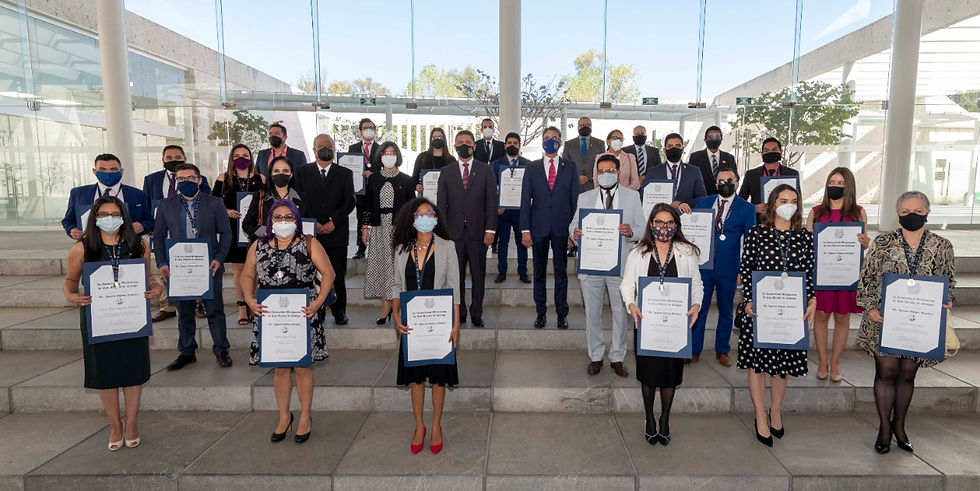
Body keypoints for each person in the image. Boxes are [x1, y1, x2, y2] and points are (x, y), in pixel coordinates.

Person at [856, 191, 955, 454]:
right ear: (898, 213)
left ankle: (899, 426)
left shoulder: (942, 246)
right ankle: (884, 429)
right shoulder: (883, 242)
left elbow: (949, 281)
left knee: (908, 373)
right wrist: (871, 307)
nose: (912, 215)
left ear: (928, 213)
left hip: (921, 323)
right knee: (886, 372)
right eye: (906, 211)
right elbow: (866, 278)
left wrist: (947, 299)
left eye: (918, 211)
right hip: (883, 320)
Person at [63, 196, 161, 451]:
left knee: (133, 371)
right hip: (99, 319)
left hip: (132, 317)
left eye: (115, 214)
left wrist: (156, 288)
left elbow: (149, 278)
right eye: (104, 214)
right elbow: (70, 282)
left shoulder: (138, 245)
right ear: (94, 218)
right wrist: (72, 296)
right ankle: (115, 424)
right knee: (105, 372)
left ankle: (132, 422)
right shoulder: (82, 248)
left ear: (123, 217)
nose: (110, 219)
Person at [242, 199, 336, 443]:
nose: (283, 221)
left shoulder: (309, 243)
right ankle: (284, 416)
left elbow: (329, 273)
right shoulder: (258, 245)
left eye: (288, 217)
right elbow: (248, 274)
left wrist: (318, 302)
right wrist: (249, 300)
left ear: (296, 219)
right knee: (280, 368)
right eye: (278, 217)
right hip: (270, 315)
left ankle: (305, 416)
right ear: (270, 221)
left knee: (302, 367)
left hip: (303, 314)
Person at [735, 184, 816, 447]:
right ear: (773, 204)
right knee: (758, 363)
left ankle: (776, 410)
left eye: (793, 200)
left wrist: (812, 299)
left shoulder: (804, 237)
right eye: (783, 200)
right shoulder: (757, 233)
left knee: (783, 364)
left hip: (791, 312)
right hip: (760, 310)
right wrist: (748, 299)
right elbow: (747, 268)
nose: (788, 205)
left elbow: (810, 272)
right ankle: (760, 414)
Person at [621, 203, 703, 445]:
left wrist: (696, 304)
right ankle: (649, 418)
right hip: (646, 323)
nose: (664, 227)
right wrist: (631, 304)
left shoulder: (687, 251)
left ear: (676, 225)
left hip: (675, 325)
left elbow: (697, 284)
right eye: (659, 222)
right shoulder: (638, 252)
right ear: (651, 224)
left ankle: (664, 419)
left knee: (670, 374)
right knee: (648, 375)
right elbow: (627, 285)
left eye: (669, 223)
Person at [391, 197, 461, 455]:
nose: (424, 218)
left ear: (436, 217)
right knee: (417, 379)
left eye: (429, 213)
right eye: (419, 214)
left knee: (439, 379)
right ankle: (419, 425)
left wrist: (456, 324)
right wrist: (395, 313)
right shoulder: (401, 249)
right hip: (413, 325)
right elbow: (397, 285)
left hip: (440, 324)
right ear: (411, 219)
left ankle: (436, 426)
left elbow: (454, 287)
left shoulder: (447, 246)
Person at [153, 163, 233, 370]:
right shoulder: (165, 205)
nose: (186, 182)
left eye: (190, 178)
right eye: (181, 179)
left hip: (209, 266)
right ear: (176, 181)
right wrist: (161, 262)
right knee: (185, 312)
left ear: (199, 180)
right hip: (179, 268)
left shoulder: (215, 203)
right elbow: (158, 236)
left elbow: (226, 233)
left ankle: (221, 349)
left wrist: (219, 259)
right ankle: (187, 351)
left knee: (215, 311)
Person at [571, 154, 644, 377]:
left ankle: (617, 357)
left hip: (619, 266)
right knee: (592, 313)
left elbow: (642, 228)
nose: (605, 174)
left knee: (620, 312)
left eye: (610, 171)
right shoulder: (585, 197)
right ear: (596, 174)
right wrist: (575, 233)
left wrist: (630, 232)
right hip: (591, 264)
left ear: (618, 172)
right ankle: (595, 356)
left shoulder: (632, 197)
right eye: (601, 171)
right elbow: (574, 224)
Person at [805, 167, 871, 381]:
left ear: (848, 186)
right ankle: (823, 360)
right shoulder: (816, 212)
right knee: (821, 315)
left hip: (846, 274)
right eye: (831, 182)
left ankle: (835, 362)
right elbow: (807, 244)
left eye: (840, 183)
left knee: (842, 317)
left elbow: (863, 243)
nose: (835, 186)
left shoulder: (858, 212)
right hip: (822, 272)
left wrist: (865, 242)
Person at [690, 167, 755, 366]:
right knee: (699, 307)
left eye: (729, 180)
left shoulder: (747, 208)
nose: (724, 184)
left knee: (726, 310)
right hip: (704, 266)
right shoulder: (703, 203)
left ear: (737, 183)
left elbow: (749, 242)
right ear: (715, 183)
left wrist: (743, 270)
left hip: (729, 267)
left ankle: (722, 350)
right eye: (720, 180)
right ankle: (694, 350)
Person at [142, 145, 211, 322]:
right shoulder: (151, 179)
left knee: (193, 265)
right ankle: (167, 306)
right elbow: (146, 204)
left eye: (177, 157)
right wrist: (150, 225)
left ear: (184, 158)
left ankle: (199, 303)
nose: (173, 160)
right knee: (165, 267)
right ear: (163, 160)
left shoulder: (199, 179)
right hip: (162, 231)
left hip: (191, 232)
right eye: (169, 158)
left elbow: (207, 202)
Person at [521, 126, 580, 329]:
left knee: (561, 273)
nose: (550, 141)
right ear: (542, 142)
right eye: (546, 138)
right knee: (539, 272)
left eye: (554, 138)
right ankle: (541, 313)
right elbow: (525, 200)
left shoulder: (570, 167)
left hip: (562, 228)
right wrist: (525, 230)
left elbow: (575, 201)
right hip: (538, 227)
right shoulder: (532, 167)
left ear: (560, 142)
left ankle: (562, 314)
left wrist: (572, 231)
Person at [437, 130, 497, 327]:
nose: (464, 145)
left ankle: (477, 313)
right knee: (456, 277)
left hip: (478, 233)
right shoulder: (446, 171)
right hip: (453, 234)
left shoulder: (486, 170)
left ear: (474, 146)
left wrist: (490, 230)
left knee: (478, 276)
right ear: (455, 146)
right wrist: (443, 232)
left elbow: (491, 202)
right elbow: (441, 205)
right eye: (460, 142)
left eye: (468, 142)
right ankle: (460, 311)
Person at [294, 134, 356, 325]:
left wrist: (333, 222)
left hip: (336, 232)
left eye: (329, 145)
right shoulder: (301, 172)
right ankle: (317, 311)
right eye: (321, 146)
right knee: (311, 273)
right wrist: (314, 223)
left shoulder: (345, 173)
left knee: (337, 273)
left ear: (334, 149)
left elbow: (349, 201)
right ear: (314, 150)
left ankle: (339, 311)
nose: (325, 148)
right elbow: (298, 200)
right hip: (310, 233)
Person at [362, 142, 415, 324]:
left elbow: (412, 208)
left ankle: (398, 306)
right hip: (379, 231)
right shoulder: (374, 179)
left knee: (398, 269)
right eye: (386, 152)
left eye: (393, 153)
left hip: (399, 231)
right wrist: (364, 228)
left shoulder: (407, 180)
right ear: (380, 156)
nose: (389, 156)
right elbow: (367, 206)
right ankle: (386, 307)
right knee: (383, 269)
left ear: (398, 156)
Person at [212, 144, 265, 327]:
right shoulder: (223, 178)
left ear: (251, 157)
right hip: (233, 229)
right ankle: (242, 306)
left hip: (254, 228)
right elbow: (213, 203)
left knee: (254, 268)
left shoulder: (260, 178)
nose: (241, 158)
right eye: (236, 155)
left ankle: (252, 303)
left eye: (245, 154)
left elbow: (266, 201)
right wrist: (226, 211)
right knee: (239, 269)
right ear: (231, 159)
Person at [63, 153, 154, 240]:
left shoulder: (138, 194)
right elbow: (68, 220)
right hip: (91, 245)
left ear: (121, 171)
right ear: (94, 171)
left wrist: (142, 226)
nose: (108, 173)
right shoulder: (78, 193)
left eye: (113, 169)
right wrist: (71, 230)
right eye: (102, 169)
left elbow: (149, 221)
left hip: (129, 245)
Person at [491, 132, 531, 284]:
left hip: (521, 211)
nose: (512, 145)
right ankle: (502, 272)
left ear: (519, 146)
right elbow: (492, 188)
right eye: (509, 143)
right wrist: (497, 205)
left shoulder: (527, 164)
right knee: (503, 242)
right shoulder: (496, 164)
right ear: (505, 145)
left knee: (522, 242)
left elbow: (530, 188)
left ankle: (523, 272)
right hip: (503, 210)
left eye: (515, 143)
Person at [242, 156, 303, 242]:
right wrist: (266, 231)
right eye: (276, 171)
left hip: (294, 245)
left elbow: (308, 223)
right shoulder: (260, 196)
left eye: (285, 171)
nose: (280, 174)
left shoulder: (302, 198)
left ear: (291, 174)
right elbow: (247, 224)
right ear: (271, 174)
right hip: (267, 245)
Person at [645, 133, 707, 213]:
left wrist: (685, 204)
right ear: (664, 150)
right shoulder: (653, 172)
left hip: (685, 216)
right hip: (661, 216)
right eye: (670, 146)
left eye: (678, 146)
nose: (674, 149)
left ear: (682, 149)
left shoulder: (694, 171)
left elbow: (702, 198)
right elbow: (646, 198)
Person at [738, 137, 800, 217]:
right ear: (762, 154)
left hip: (785, 219)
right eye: (766, 150)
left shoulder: (792, 174)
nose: (770, 152)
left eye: (774, 149)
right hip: (759, 220)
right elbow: (740, 201)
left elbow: (798, 201)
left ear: (781, 152)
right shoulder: (751, 175)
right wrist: (753, 208)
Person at [350, 118, 381, 259]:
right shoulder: (353, 148)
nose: (368, 130)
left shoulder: (381, 149)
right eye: (365, 128)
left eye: (371, 128)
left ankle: (378, 248)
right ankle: (360, 248)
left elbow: (386, 169)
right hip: (360, 191)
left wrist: (373, 174)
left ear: (375, 130)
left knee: (377, 218)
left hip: (376, 189)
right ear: (360, 131)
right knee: (361, 218)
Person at [689, 126, 737, 196]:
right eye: (710, 137)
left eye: (717, 137)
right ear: (705, 139)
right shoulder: (695, 157)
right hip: (702, 198)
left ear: (721, 139)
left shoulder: (729, 158)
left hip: (724, 197)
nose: (714, 139)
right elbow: (691, 180)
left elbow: (734, 179)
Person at [561, 116, 605, 193]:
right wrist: (576, 177)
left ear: (591, 126)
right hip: (574, 185)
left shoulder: (600, 143)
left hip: (593, 186)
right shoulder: (569, 144)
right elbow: (565, 165)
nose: (585, 127)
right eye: (582, 125)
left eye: (588, 125)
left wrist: (588, 178)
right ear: (578, 127)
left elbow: (602, 164)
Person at [411, 127, 456, 193]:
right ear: (430, 139)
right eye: (434, 137)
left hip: (446, 196)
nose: (437, 139)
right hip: (425, 196)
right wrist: (416, 186)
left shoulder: (451, 159)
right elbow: (414, 179)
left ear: (444, 139)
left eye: (440, 137)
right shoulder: (421, 157)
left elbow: (455, 180)